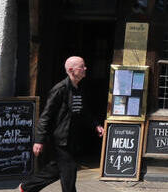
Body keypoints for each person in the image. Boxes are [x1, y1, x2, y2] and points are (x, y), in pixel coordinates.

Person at [19, 56, 104, 192]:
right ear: (71, 70)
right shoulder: (60, 89)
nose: (85, 69)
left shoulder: (78, 88)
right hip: (60, 139)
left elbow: (83, 111)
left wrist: (95, 124)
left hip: (72, 138)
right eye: (81, 67)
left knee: (55, 169)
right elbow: (46, 115)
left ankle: (27, 187)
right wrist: (39, 140)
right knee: (69, 170)